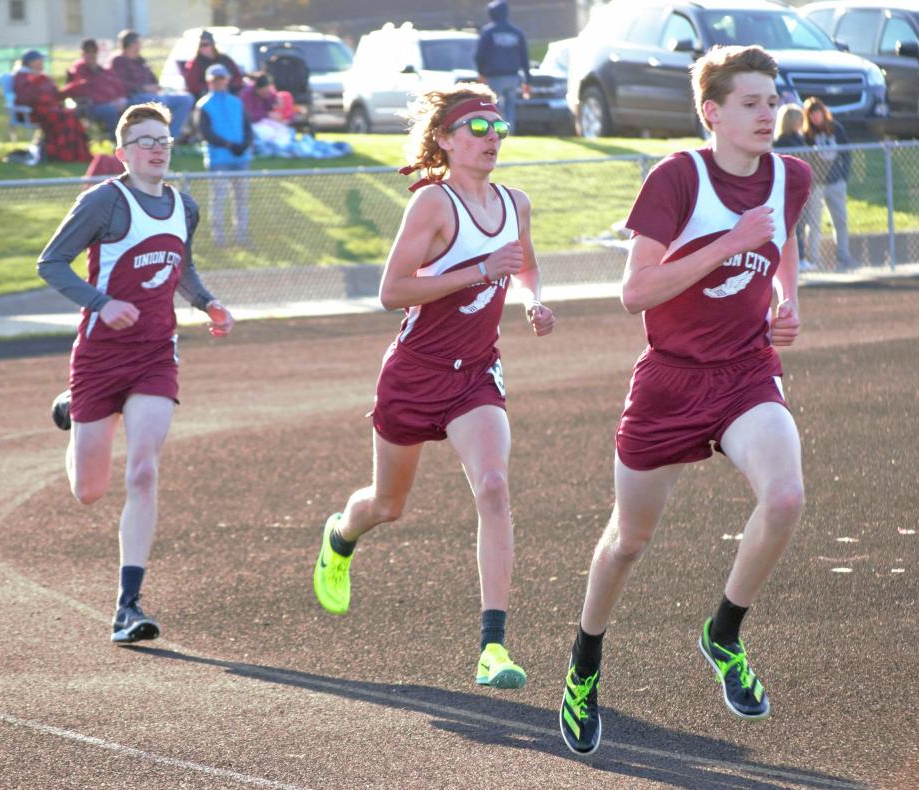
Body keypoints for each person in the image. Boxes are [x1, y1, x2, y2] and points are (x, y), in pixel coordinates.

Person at [558, 45, 811, 756]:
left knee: (786, 496)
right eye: (752, 103)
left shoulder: (790, 175)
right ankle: (583, 666)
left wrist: (788, 299)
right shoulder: (678, 177)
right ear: (713, 113)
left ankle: (723, 634)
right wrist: (728, 242)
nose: (769, 114)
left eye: (773, 100)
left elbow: (781, 240)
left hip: (743, 373)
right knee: (628, 541)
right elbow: (634, 292)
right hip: (669, 380)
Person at [312, 84, 556, 690]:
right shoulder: (432, 204)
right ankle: (341, 536)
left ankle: (492, 649)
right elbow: (391, 291)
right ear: (445, 139)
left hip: (475, 373)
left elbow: (522, 261)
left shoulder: (514, 202)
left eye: (499, 128)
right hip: (414, 373)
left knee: (494, 487)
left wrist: (533, 299)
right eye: (477, 128)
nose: (492, 138)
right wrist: (476, 271)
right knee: (388, 506)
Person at [37, 102, 235, 644]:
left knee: (144, 470)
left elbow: (182, 269)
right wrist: (100, 303)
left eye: (165, 141)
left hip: (154, 354)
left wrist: (209, 303)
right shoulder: (104, 200)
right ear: (124, 153)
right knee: (88, 491)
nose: (157, 149)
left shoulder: (183, 205)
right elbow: (51, 262)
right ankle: (71, 409)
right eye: (146, 141)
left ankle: (128, 606)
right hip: (100, 358)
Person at [196, 64, 253, 246]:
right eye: (215, 80)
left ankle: (241, 236)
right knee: (219, 198)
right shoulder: (204, 105)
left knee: (242, 199)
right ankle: (219, 238)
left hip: (240, 157)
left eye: (222, 79)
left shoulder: (236, 102)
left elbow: (247, 127)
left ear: (227, 80)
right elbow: (206, 133)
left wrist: (244, 144)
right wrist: (228, 144)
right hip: (219, 159)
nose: (219, 83)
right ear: (209, 82)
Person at [802, 96, 859, 271]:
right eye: (811, 115)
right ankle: (815, 260)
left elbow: (846, 153)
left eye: (817, 113)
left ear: (822, 112)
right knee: (814, 222)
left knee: (840, 220)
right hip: (816, 184)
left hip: (835, 182)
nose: (815, 117)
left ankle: (843, 257)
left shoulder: (836, 129)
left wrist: (843, 175)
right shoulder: (807, 135)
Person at [109, 30, 194, 141]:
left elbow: (153, 79)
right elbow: (120, 83)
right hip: (134, 96)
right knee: (158, 101)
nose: (140, 46)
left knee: (186, 99)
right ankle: (157, 137)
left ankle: (171, 136)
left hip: (154, 94)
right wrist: (143, 88)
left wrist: (156, 86)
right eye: (138, 43)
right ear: (131, 44)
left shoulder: (140, 60)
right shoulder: (119, 60)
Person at [13, 49, 91, 163]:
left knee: (70, 115)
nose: (42, 62)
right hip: (35, 112)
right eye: (39, 59)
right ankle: (63, 154)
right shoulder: (22, 77)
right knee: (66, 116)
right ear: (31, 62)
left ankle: (75, 153)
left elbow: (56, 95)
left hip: (51, 109)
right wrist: (38, 83)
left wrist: (73, 88)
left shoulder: (44, 77)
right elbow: (25, 98)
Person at [474, 0, 531, 131]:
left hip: (494, 76)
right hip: (513, 76)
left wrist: (481, 72)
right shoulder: (517, 32)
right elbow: (524, 57)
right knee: (510, 107)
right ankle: (510, 131)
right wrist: (527, 80)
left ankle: (496, 131)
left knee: (494, 106)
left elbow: (479, 55)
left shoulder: (488, 32)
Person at [773, 103, 812, 272]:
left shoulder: (799, 139)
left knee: (801, 226)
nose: (801, 122)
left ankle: (802, 258)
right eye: (799, 119)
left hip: (799, 191)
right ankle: (795, 261)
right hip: (787, 192)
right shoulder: (783, 143)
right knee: (791, 227)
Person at [63, 38, 129, 136]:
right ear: (82, 53)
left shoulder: (102, 70)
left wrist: (121, 98)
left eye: (94, 51)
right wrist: (111, 102)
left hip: (110, 102)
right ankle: (116, 140)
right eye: (88, 51)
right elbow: (83, 91)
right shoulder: (78, 70)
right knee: (110, 110)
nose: (91, 54)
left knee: (132, 105)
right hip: (90, 106)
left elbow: (117, 85)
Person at [240, 71, 296, 154]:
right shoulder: (246, 94)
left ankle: (285, 147)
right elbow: (247, 116)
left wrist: (285, 117)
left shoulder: (270, 94)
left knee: (283, 130)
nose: (266, 94)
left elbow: (283, 106)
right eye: (264, 91)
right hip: (253, 125)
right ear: (257, 89)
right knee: (268, 132)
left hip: (267, 122)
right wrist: (267, 114)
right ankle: (278, 148)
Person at [184, 30, 244, 101]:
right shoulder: (195, 63)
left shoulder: (225, 59)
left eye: (205, 45)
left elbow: (238, 78)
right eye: (200, 45)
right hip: (207, 95)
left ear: (212, 45)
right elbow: (193, 85)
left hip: (230, 91)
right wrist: (215, 86)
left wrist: (227, 85)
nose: (202, 48)